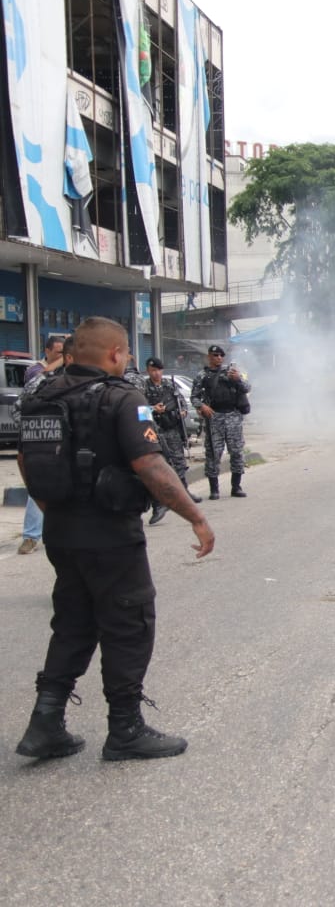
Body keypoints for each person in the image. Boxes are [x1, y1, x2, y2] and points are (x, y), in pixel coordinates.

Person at [12, 316, 214, 762]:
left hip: (61, 532)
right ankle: (125, 729)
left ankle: (45, 723)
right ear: (115, 353)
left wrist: (51, 508)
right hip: (110, 535)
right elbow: (151, 466)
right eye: (125, 353)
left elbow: (27, 461)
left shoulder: (40, 396)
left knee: (73, 623)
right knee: (129, 624)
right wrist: (196, 517)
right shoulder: (123, 398)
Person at [18, 336, 66, 556]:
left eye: (64, 352)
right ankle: (31, 536)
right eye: (58, 352)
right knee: (37, 482)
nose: (61, 356)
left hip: (63, 434)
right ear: (47, 351)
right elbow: (32, 388)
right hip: (41, 434)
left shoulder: (67, 371)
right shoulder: (36, 370)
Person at [144, 356, 202, 525]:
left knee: (179, 462)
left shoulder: (169, 385)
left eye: (158, 370)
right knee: (157, 467)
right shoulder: (143, 387)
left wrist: (183, 411)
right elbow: (138, 412)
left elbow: (181, 401)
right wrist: (152, 409)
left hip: (172, 429)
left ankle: (184, 493)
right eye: (153, 370)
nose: (156, 373)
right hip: (155, 431)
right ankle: (159, 504)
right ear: (148, 371)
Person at [191, 344, 252, 500]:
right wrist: (202, 406)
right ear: (209, 357)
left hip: (233, 416)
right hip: (214, 417)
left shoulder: (232, 372)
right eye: (215, 355)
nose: (218, 358)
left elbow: (247, 388)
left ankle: (236, 487)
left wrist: (237, 379)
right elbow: (194, 397)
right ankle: (214, 489)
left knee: (237, 452)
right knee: (213, 453)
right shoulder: (202, 375)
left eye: (221, 355)